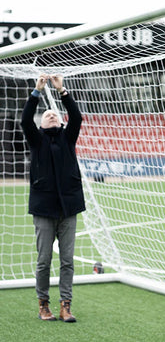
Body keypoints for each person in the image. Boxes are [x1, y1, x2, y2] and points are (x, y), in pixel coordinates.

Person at [21, 74, 86, 322]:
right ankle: (43, 305)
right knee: (44, 260)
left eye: (55, 115)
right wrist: (37, 91)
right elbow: (26, 119)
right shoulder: (36, 141)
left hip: (68, 209)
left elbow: (77, 118)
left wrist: (63, 92)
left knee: (67, 261)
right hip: (44, 210)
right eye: (47, 115)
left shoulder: (68, 138)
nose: (52, 115)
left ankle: (65, 306)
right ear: (41, 123)